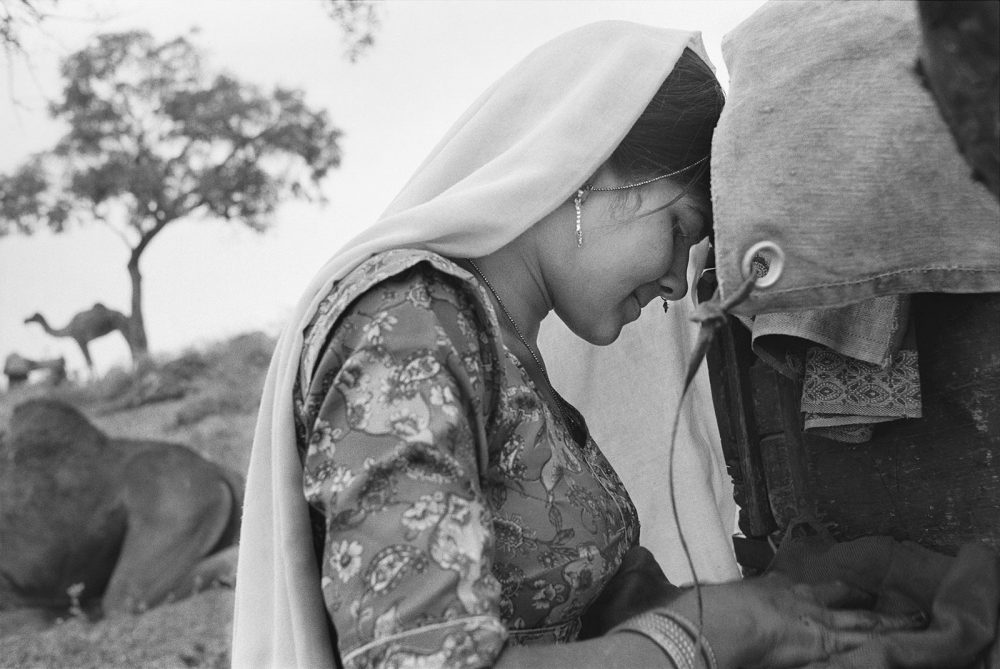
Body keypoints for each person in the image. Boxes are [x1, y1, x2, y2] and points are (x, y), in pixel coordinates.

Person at [231, 21, 921, 669]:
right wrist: (703, 634)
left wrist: (753, 612)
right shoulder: (409, 325)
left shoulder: (504, 349)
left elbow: (589, 602)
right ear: (590, 172)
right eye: (681, 228)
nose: (681, 284)